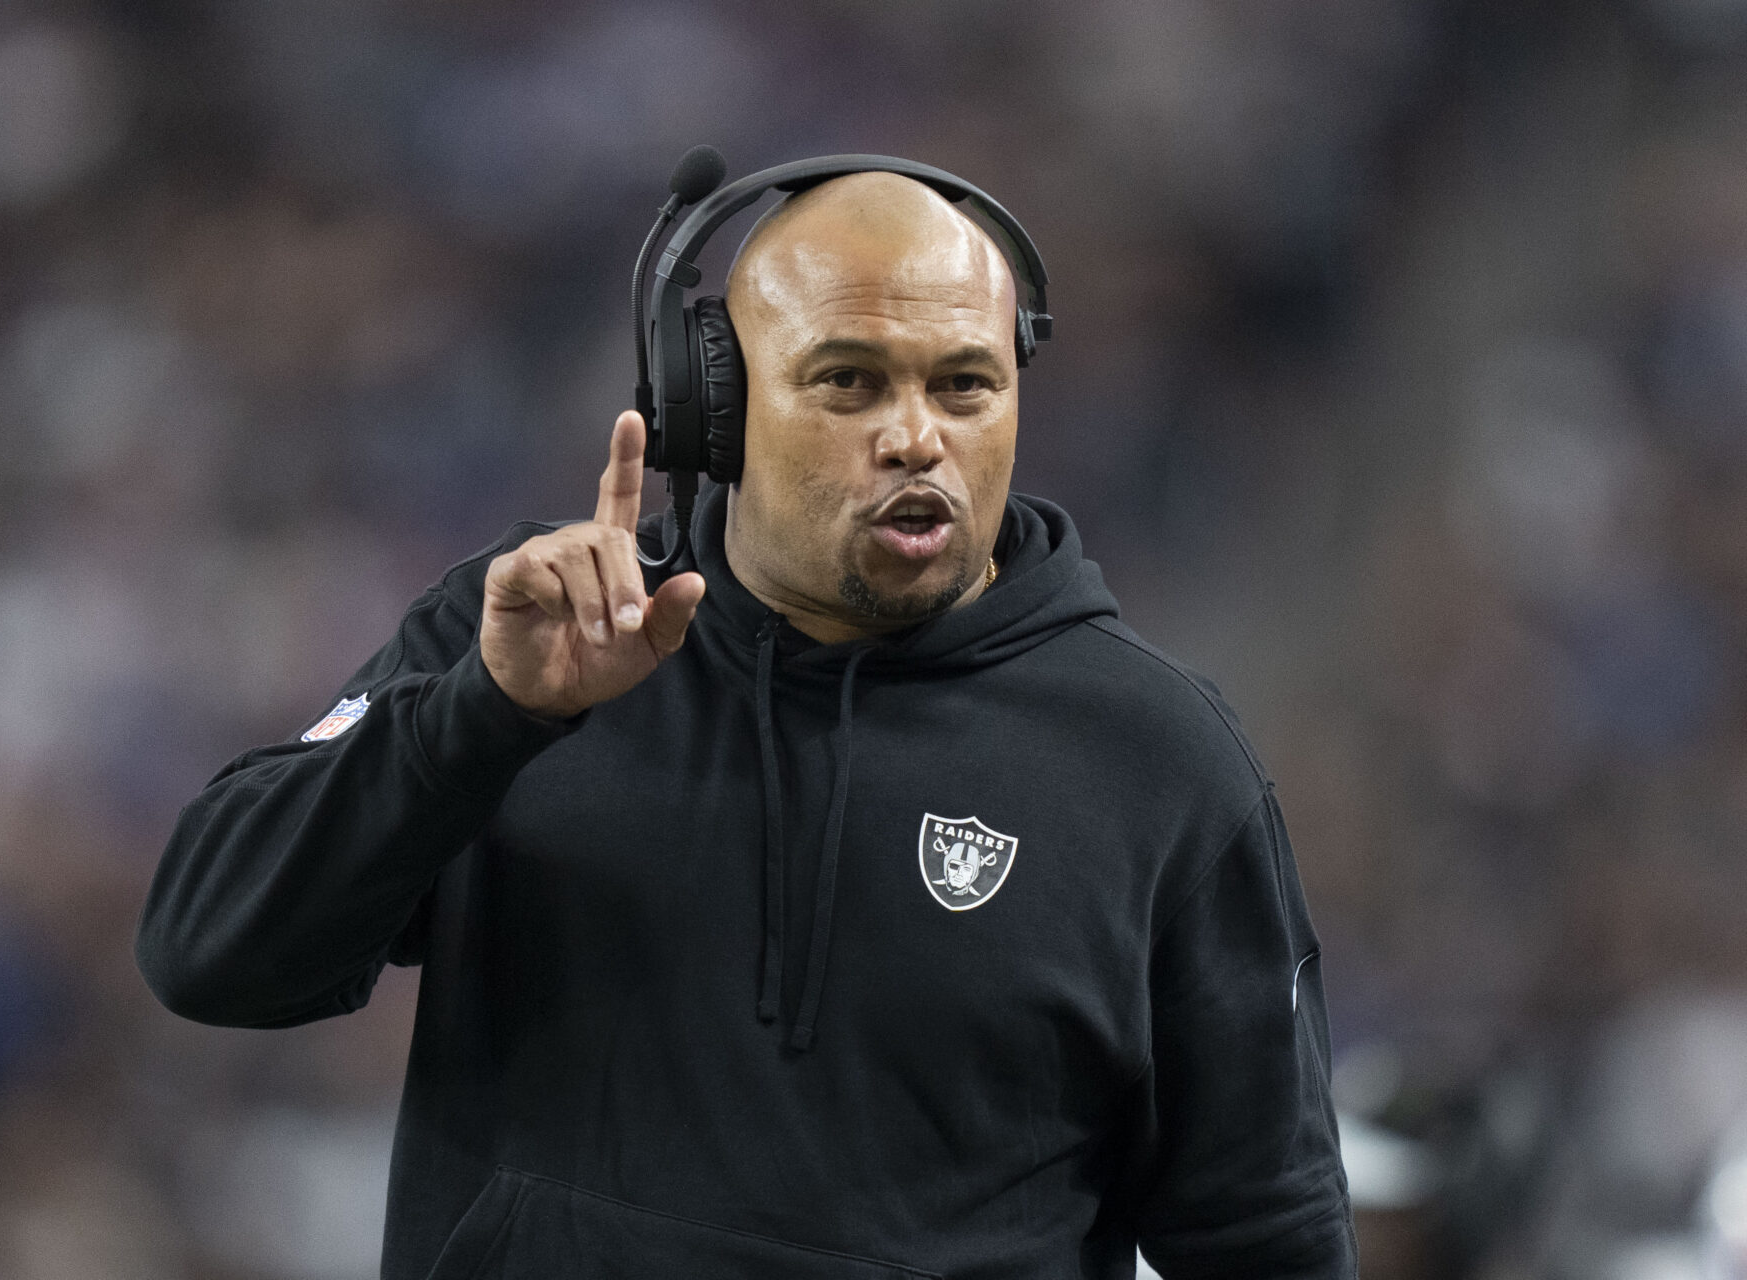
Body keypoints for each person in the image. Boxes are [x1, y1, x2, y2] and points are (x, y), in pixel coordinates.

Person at [136, 170, 1356, 1279]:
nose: (916, 435)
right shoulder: (523, 637)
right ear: (711, 406)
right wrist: (481, 718)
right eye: (849, 380)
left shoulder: (1162, 765)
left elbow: (1268, 1241)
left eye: (965, 383)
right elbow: (210, 952)